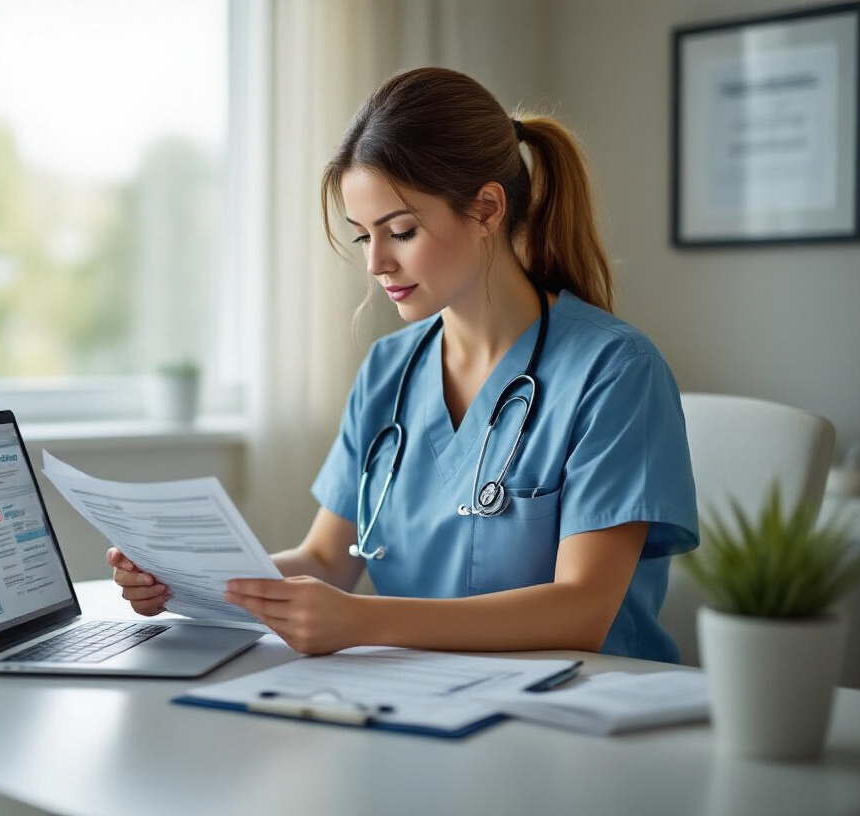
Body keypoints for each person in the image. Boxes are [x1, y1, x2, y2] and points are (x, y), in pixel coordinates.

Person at [108, 66, 698, 663]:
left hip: (584, 711)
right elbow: (326, 561)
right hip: (419, 705)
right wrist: (188, 580)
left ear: (488, 208)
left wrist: (364, 620)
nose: (377, 263)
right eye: (365, 237)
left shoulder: (614, 370)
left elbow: (581, 612)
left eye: (401, 230)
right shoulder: (388, 369)